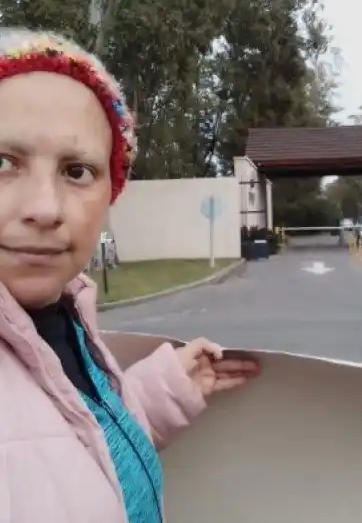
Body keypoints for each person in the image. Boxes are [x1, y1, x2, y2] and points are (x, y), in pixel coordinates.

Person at [0, 29, 260, 523]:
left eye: (77, 171)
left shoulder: (63, 319)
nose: (45, 208)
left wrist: (159, 390)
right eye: (4, 162)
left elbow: (56, 441)